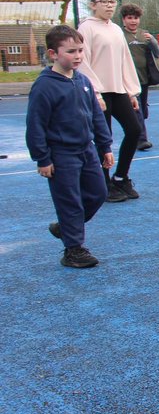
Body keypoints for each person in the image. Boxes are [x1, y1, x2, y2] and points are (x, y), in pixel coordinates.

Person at [25, 25, 114, 268]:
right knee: (70, 201)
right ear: (53, 54)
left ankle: (66, 226)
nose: (77, 56)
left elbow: (96, 115)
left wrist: (104, 145)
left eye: (80, 51)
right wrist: (42, 158)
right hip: (61, 155)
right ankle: (73, 250)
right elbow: (35, 124)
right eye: (71, 51)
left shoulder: (82, 81)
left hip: (86, 150)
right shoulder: (45, 86)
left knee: (98, 193)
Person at [78, 0, 142, 202]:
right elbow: (83, 62)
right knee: (103, 139)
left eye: (112, 1)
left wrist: (131, 91)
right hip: (99, 93)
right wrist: (94, 92)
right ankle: (103, 184)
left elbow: (125, 60)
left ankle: (121, 177)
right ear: (93, 4)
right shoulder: (86, 29)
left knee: (134, 130)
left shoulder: (115, 29)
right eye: (104, 1)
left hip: (118, 90)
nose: (109, 5)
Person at [119, 4, 159, 151]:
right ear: (124, 19)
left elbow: (158, 53)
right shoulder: (120, 35)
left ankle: (135, 134)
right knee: (137, 110)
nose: (133, 21)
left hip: (143, 79)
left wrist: (153, 41)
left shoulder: (145, 35)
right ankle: (141, 139)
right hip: (128, 80)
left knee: (142, 111)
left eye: (136, 18)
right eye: (129, 18)